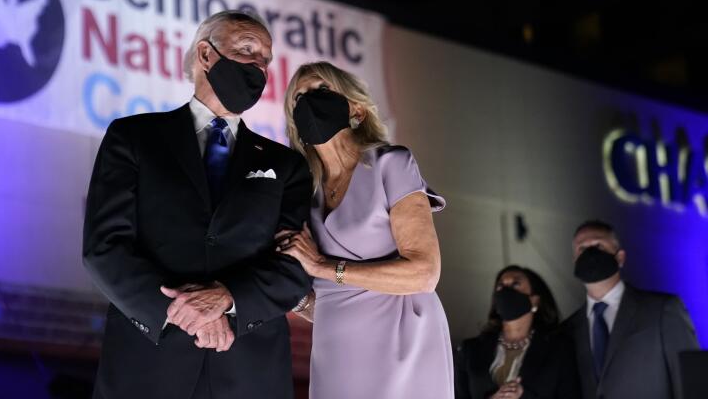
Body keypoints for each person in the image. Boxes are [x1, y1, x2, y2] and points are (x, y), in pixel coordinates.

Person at [83, 10, 313, 399]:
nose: (260, 65)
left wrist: (228, 298)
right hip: (146, 368)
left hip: (250, 376)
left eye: (266, 58)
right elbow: (104, 248)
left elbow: (294, 268)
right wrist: (187, 314)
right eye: (247, 49)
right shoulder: (133, 138)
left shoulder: (287, 165)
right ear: (206, 55)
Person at [276, 61, 453, 398]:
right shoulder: (302, 193)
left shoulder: (392, 163)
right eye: (298, 97)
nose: (309, 101)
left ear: (355, 108)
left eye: (322, 90)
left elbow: (425, 274)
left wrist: (323, 267)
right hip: (336, 353)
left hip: (404, 346)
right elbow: (333, 301)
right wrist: (297, 297)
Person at [563, 220, 700, 399]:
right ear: (575, 260)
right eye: (582, 249)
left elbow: (691, 381)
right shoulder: (567, 330)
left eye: (598, 246)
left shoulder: (662, 310)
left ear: (620, 257)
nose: (590, 254)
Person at [456, 265, 579, 399]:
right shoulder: (470, 351)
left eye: (515, 284)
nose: (506, 291)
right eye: (500, 286)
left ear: (535, 300)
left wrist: (524, 396)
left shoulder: (559, 349)